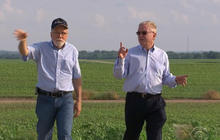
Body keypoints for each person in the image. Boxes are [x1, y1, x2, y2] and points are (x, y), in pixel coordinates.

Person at [113, 21, 188, 140]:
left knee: (155, 136)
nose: (140, 35)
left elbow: (165, 77)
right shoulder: (130, 53)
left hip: (155, 101)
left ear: (154, 35)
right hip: (135, 100)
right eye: (138, 33)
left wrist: (175, 80)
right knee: (131, 135)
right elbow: (118, 75)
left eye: (143, 32)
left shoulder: (162, 55)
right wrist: (121, 59)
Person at [13, 18, 82, 140]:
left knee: (65, 135)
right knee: (44, 135)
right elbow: (25, 53)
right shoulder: (41, 48)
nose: (60, 36)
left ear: (67, 35)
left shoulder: (73, 51)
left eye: (63, 33)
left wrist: (79, 100)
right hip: (45, 99)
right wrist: (23, 40)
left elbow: (76, 77)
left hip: (66, 99)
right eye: (57, 32)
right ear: (51, 34)